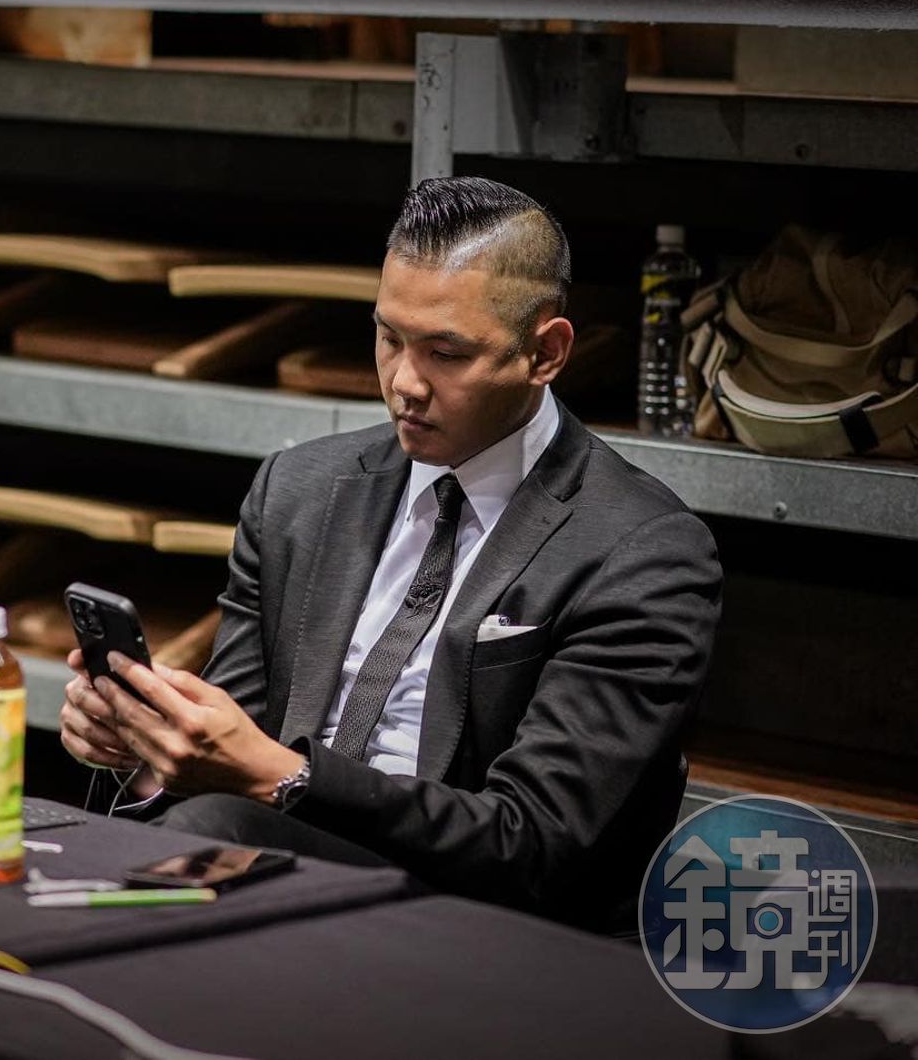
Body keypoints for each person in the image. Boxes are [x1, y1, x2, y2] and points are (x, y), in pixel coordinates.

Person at [59, 176, 723, 934]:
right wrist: (151, 750)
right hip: (283, 878)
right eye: (389, 339)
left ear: (545, 353)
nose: (405, 383)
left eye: (446, 353)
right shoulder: (298, 492)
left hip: (490, 923)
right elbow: (232, 741)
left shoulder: (643, 552)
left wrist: (284, 776)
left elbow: (534, 842)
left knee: (212, 834)